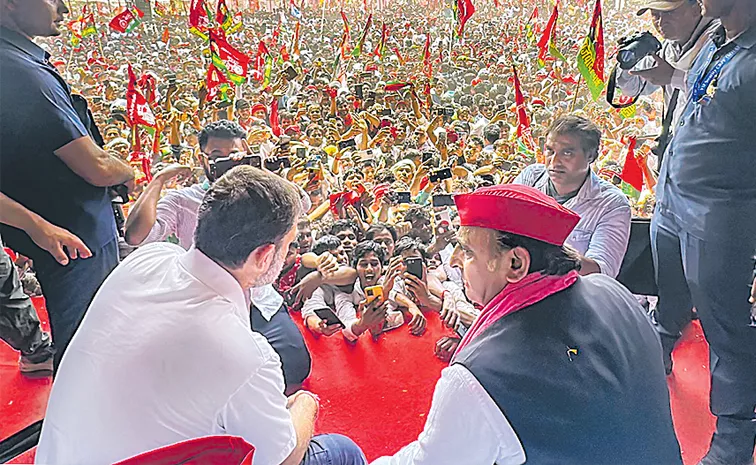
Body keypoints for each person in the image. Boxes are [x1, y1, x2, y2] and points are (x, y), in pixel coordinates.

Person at [36, 166, 366, 465]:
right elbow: (283, 458)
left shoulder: (149, 258)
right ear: (264, 255)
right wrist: (305, 403)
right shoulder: (249, 356)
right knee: (342, 451)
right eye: (288, 243)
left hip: (57, 454)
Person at [372, 184, 682, 465]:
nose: (454, 262)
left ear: (515, 263)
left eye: (467, 251)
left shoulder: (477, 377)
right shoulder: (613, 291)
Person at [123, 120, 312, 393]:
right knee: (201, 374)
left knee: (295, 364)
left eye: (233, 155)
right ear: (202, 159)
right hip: (205, 302)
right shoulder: (183, 200)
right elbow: (137, 236)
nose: (226, 163)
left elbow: (301, 204)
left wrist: (260, 174)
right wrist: (159, 180)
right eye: (216, 157)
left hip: (260, 301)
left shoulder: (262, 193)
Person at [0, 0, 134, 371]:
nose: (64, 7)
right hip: (74, 241)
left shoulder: (17, 60)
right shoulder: (20, 73)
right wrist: (128, 172)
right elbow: (95, 166)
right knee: (87, 349)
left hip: (62, 233)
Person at [651, 0, 756, 462]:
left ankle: (734, 437)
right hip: (672, 200)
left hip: (719, 215)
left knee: (724, 328)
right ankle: (659, 349)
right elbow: (700, 100)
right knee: (668, 292)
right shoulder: (716, 39)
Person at [513, 115, 631, 278]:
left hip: (572, 295)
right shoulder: (531, 178)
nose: (554, 162)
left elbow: (603, 271)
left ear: (591, 157)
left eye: (567, 153)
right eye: (550, 151)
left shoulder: (611, 203)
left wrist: (549, 254)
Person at [616, 0, 719, 131]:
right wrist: (628, 60)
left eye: (669, 13)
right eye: (655, 14)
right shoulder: (667, 48)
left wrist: (674, 77)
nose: (661, 22)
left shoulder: (720, 41)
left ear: (695, 9)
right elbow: (632, 88)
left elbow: (723, 101)